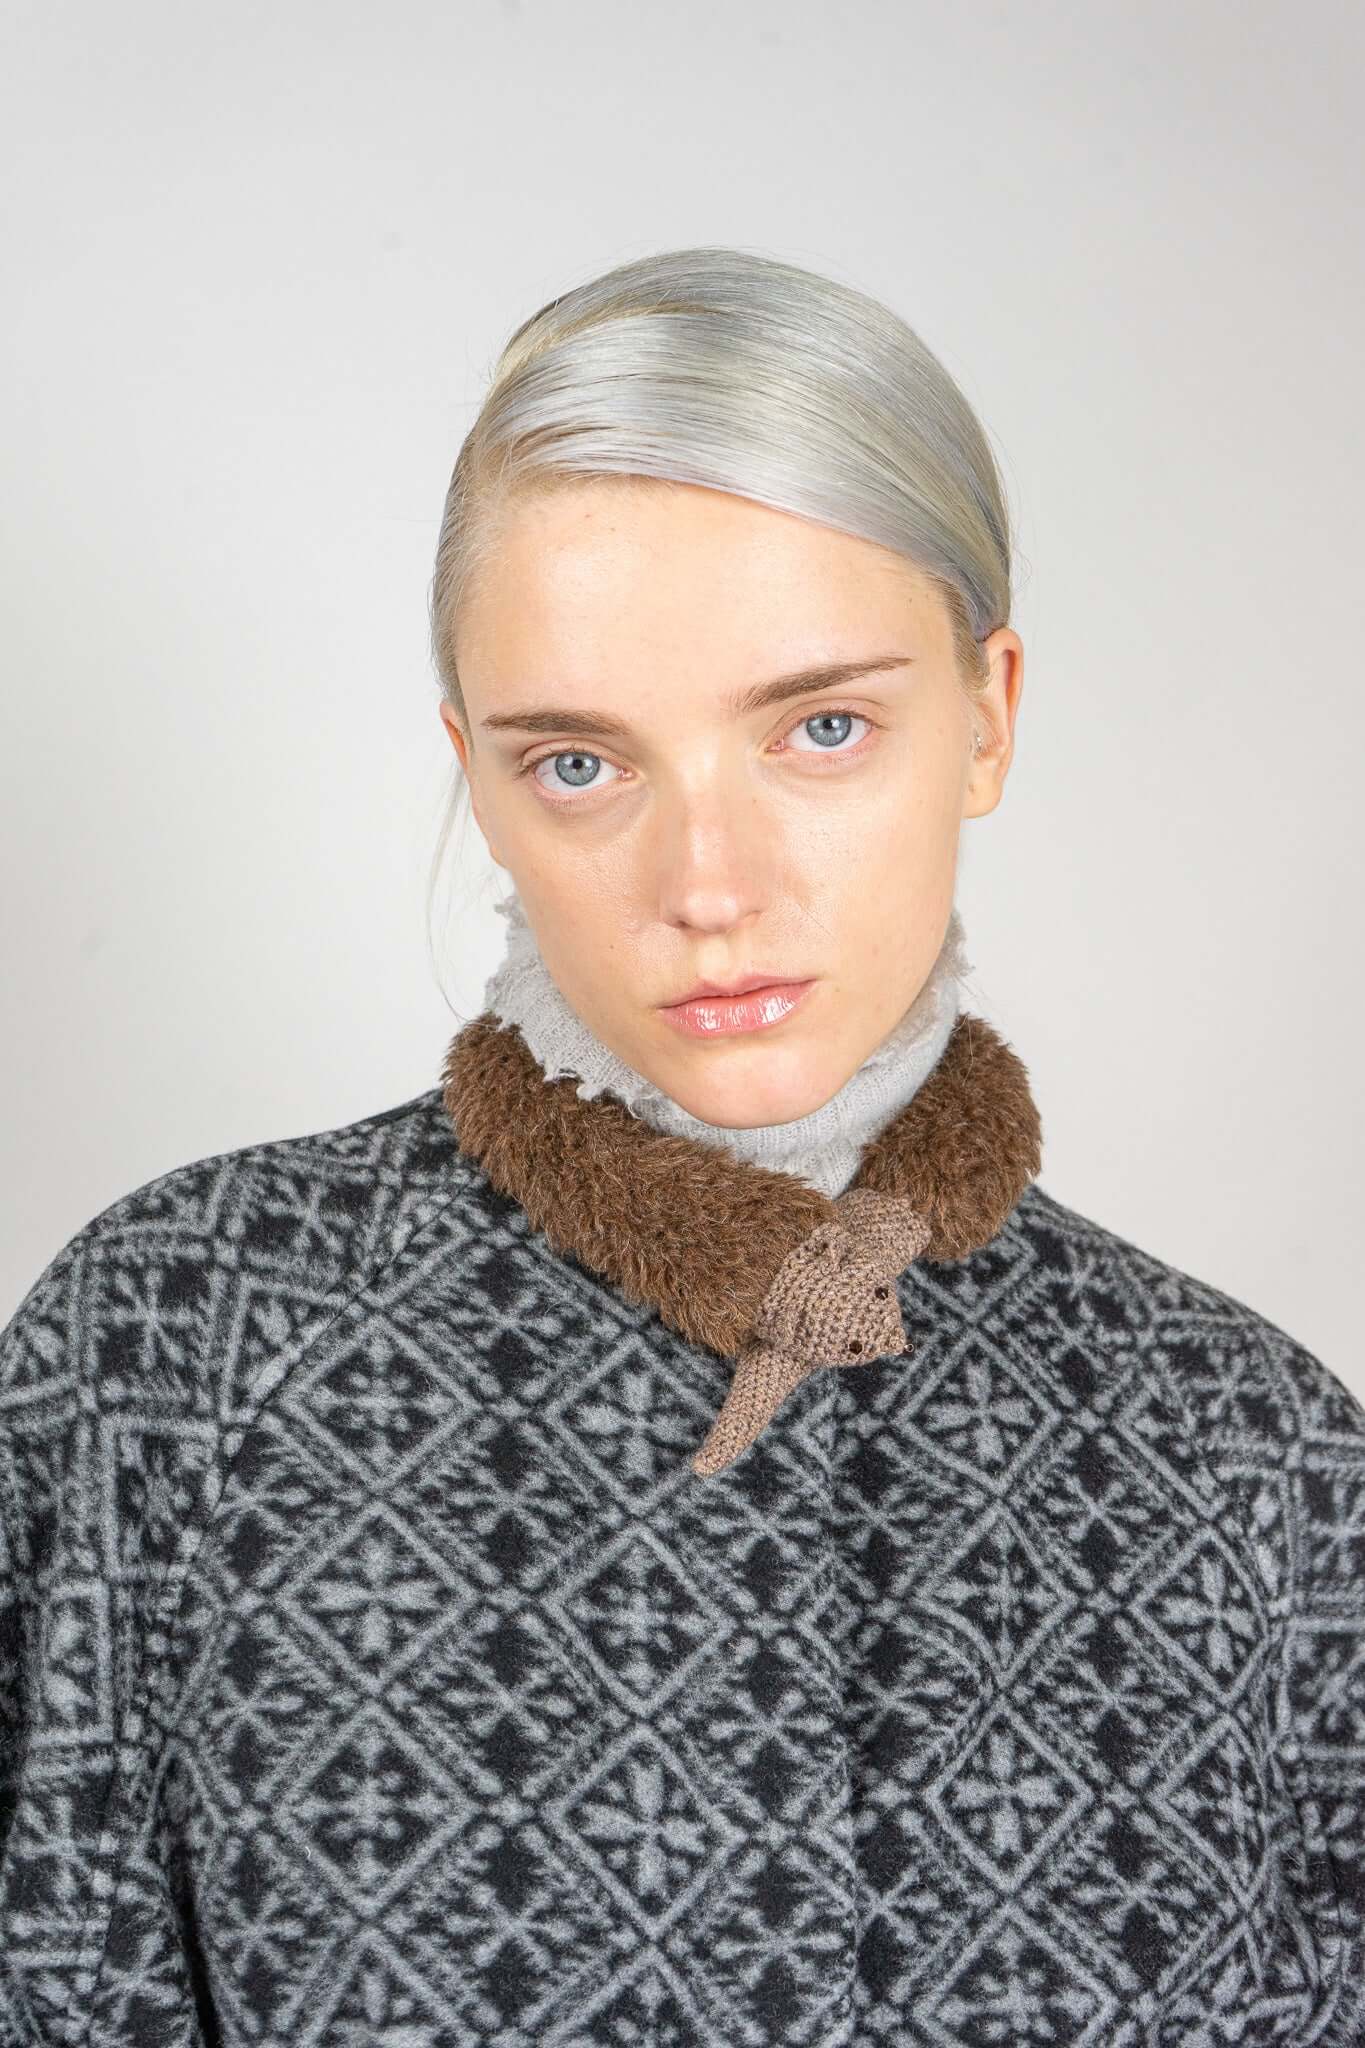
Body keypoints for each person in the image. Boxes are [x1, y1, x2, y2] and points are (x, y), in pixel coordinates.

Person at [1, 246, 1360, 2047]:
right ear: (474, 770)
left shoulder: (1253, 1452)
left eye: (821, 728)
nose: (707, 888)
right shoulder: (182, 1345)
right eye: (579, 763)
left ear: (988, 717)